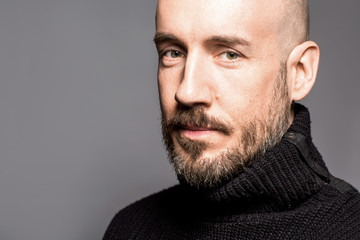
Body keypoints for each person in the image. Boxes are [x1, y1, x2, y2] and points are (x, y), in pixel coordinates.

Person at [103, 0, 360, 239]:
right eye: (173, 53)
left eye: (229, 55)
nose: (187, 92)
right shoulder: (130, 229)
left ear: (299, 73)